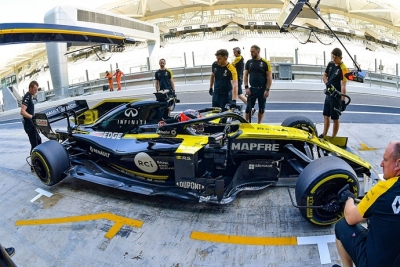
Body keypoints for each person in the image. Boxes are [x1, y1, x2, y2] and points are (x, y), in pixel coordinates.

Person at [334, 141, 400, 267]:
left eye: (385, 160)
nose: (381, 164)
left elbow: (350, 217)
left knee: (342, 225)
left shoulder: (383, 189)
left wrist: (349, 198)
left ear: (398, 164)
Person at [321, 48, 349, 138]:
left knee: (335, 118)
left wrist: (343, 101)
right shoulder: (331, 64)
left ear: (340, 58)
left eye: (335, 58)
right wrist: (327, 83)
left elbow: (343, 86)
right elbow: (324, 75)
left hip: (336, 96)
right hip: (329, 94)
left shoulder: (344, 69)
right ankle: (324, 134)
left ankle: (333, 137)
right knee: (326, 115)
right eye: (332, 57)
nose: (333, 59)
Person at [243, 45, 272, 123]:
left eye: (253, 52)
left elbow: (269, 77)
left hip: (262, 89)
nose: (251, 53)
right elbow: (245, 75)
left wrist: (267, 89)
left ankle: (259, 124)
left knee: (261, 108)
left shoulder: (265, 63)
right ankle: (246, 123)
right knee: (248, 108)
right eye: (250, 52)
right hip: (252, 89)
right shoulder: (249, 62)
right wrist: (246, 87)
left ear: (258, 51)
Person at [20, 81, 42, 172]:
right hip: (29, 125)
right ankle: (34, 165)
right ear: (31, 88)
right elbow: (22, 111)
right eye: (35, 90)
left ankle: (39, 162)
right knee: (35, 144)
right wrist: (32, 117)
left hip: (32, 124)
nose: (36, 91)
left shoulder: (30, 96)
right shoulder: (27, 97)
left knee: (39, 141)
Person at [232, 47, 257, 116]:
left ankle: (251, 108)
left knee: (239, 95)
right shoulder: (241, 58)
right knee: (235, 94)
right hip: (238, 78)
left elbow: (231, 66)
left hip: (237, 79)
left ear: (238, 52)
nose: (234, 54)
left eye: (235, 52)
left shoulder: (238, 58)